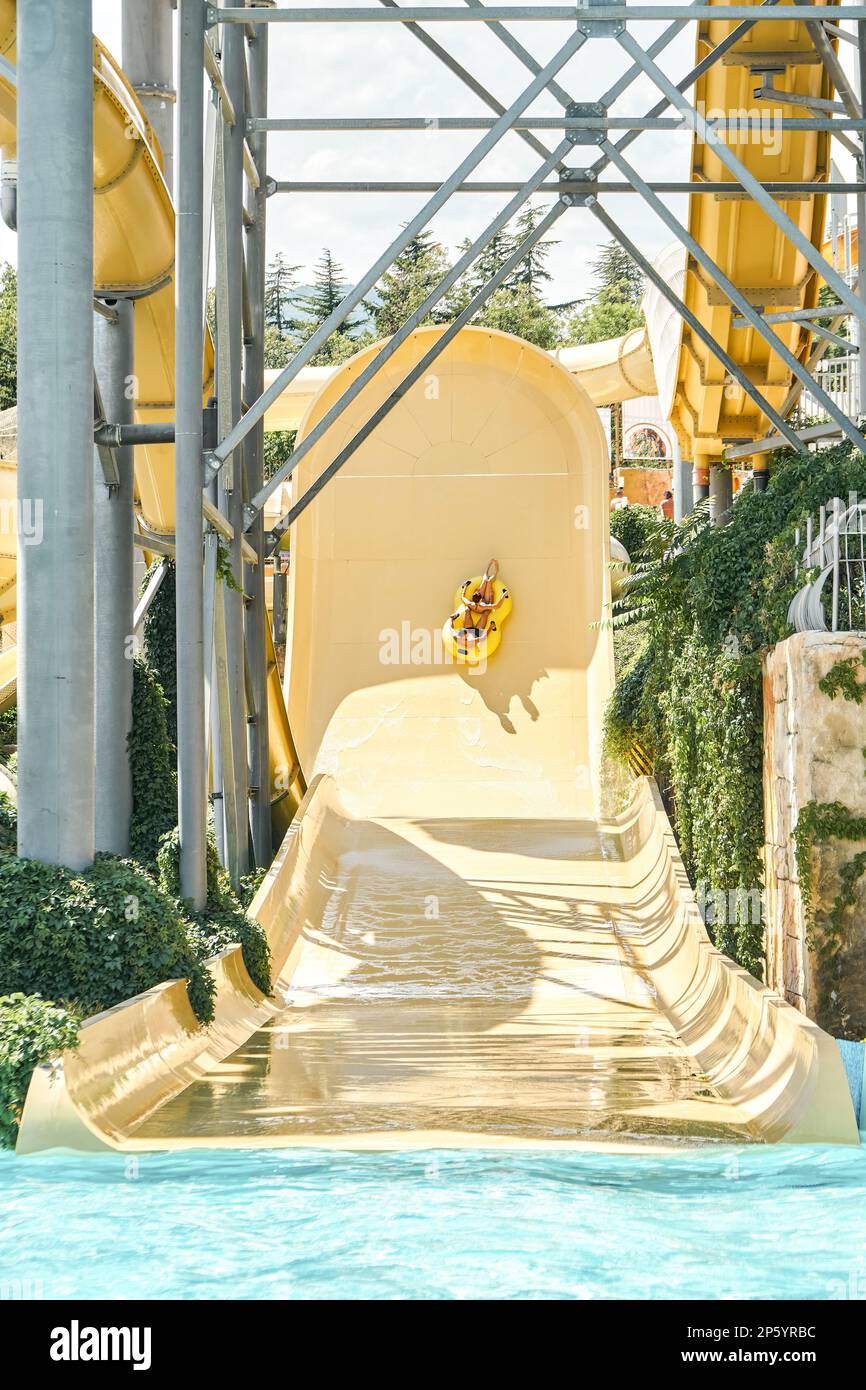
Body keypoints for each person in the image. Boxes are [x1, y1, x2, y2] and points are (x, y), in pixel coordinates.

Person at [458, 559, 507, 652]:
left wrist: (465, 587)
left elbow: (462, 597)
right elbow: (496, 606)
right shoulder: (483, 606)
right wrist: (503, 595)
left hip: (469, 629)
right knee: (485, 612)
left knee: (467, 609)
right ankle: (496, 571)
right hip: (477, 629)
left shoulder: (470, 604)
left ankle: (490, 567)